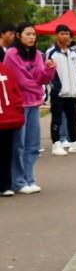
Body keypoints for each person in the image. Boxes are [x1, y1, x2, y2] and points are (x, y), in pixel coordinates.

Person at [3, 24, 56, 194]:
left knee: (33, 144)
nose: (32, 37)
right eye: (28, 34)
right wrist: (38, 89)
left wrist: (49, 70)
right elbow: (20, 80)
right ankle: (18, 181)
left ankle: (29, 178)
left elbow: (42, 78)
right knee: (19, 144)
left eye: (33, 34)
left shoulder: (38, 55)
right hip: (19, 105)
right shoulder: (12, 55)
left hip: (34, 104)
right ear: (18, 35)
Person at [44, 25, 76, 156]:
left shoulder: (73, 53)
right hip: (58, 92)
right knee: (57, 118)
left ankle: (74, 142)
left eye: (67, 34)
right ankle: (56, 144)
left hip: (72, 92)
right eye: (62, 34)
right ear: (57, 35)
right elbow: (47, 71)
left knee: (73, 118)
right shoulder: (51, 52)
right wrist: (56, 86)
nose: (65, 36)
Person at [0, 57, 26, 197]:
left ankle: (5, 184)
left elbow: (15, 92)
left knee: (6, 153)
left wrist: (18, 110)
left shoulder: (5, 70)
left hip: (7, 119)